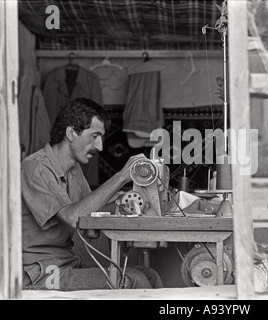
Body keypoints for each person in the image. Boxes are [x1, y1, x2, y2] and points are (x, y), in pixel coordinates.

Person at [21, 97, 164, 291]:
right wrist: (121, 176)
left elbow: (91, 206)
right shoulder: (36, 167)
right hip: (40, 272)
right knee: (133, 279)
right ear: (71, 132)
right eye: (94, 136)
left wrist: (128, 197)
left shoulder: (73, 170)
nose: (100, 146)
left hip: (67, 263)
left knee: (150, 275)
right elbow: (73, 216)